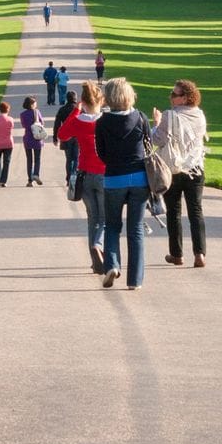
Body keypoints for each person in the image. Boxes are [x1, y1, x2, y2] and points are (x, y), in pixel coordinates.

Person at [94, 77, 149, 289]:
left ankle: (112, 265)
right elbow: (148, 145)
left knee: (112, 225)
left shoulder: (102, 122)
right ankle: (135, 279)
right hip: (139, 178)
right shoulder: (141, 118)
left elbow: (101, 153)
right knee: (135, 228)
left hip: (114, 177)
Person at [152, 79, 210, 267]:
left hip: (174, 168)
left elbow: (157, 139)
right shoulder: (200, 115)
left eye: (175, 94)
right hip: (195, 168)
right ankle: (200, 253)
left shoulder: (169, 116)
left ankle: (177, 254)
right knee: (195, 210)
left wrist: (157, 122)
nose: (171, 97)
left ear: (185, 98)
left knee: (174, 212)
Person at [57, 80, 108, 272]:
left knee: (92, 217)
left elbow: (62, 135)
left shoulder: (78, 121)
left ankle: (96, 260)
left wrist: (76, 111)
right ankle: (99, 245)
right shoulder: (106, 120)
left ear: (83, 102)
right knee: (105, 218)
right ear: (101, 101)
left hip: (85, 174)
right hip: (104, 173)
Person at [54, 88, 80, 186]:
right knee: (76, 158)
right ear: (75, 99)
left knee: (68, 159)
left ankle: (69, 178)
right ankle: (74, 176)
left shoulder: (62, 109)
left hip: (66, 136)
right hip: (77, 137)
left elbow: (57, 124)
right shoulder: (79, 110)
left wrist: (55, 137)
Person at [19, 96, 45, 185]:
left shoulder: (22, 114)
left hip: (27, 138)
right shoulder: (37, 112)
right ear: (32, 104)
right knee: (37, 158)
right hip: (37, 138)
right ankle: (36, 174)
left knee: (29, 159)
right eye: (35, 103)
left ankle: (30, 180)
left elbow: (23, 125)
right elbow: (42, 123)